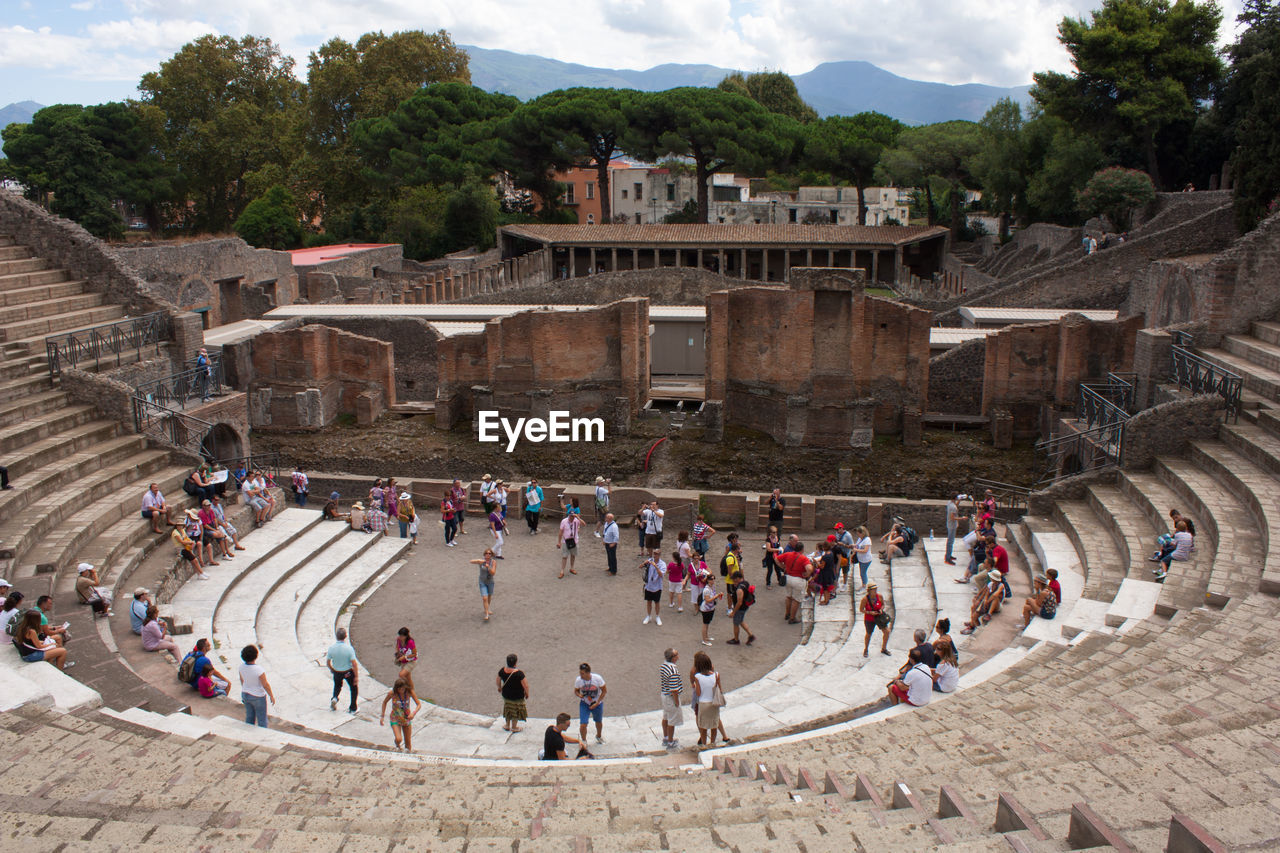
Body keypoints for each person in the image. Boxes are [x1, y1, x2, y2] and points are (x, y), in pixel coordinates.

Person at [690, 651, 725, 746]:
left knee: (703, 727)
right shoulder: (716, 675)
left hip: (703, 704)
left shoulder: (697, 676)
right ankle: (713, 743)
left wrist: (695, 685)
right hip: (713, 703)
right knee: (714, 725)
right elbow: (720, 689)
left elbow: (698, 693)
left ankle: (704, 744)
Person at [379, 678, 421, 752]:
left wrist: (413, 713)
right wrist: (382, 716)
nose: (401, 691)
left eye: (403, 689)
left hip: (406, 718)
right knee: (399, 738)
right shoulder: (392, 693)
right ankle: (397, 744)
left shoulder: (409, 692)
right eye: (400, 689)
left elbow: (419, 704)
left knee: (408, 742)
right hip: (395, 717)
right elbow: (384, 702)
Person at [238, 644, 274, 728]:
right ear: (255, 656)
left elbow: (242, 680)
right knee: (262, 719)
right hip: (258, 696)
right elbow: (265, 684)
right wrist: (271, 695)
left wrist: (245, 688)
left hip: (245, 693)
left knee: (249, 717)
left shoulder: (241, 667)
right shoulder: (258, 669)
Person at [326, 627, 360, 714]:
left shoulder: (331, 648)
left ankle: (335, 697)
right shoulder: (349, 649)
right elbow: (354, 664)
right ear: (345, 636)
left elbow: (328, 662)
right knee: (353, 688)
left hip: (337, 671)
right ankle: (353, 708)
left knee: (337, 686)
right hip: (347, 671)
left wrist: (332, 669)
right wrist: (356, 676)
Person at [961, 570, 1005, 634]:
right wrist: (985, 600)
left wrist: (987, 601)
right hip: (989, 604)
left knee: (996, 598)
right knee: (974, 615)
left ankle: (989, 614)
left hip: (996, 605)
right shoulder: (990, 584)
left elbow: (995, 594)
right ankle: (974, 626)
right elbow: (986, 593)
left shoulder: (1001, 586)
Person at [574, 662, 607, 745]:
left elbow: (604, 691)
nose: (581, 675)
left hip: (596, 703)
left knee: (598, 721)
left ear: (588, 673)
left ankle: (599, 736)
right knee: (583, 724)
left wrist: (598, 702)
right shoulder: (579, 680)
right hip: (585, 703)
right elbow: (576, 691)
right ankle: (584, 741)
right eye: (580, 673)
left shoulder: (597, 679)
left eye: (582, 673)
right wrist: (580, 695)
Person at [498, 653, 529, 732]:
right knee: (516, 710)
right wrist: (527, 693)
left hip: (506, 695)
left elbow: (498, 679)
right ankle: (514, 727)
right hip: (517, 696)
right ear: (515, 662)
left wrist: (499, 687)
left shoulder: (502, 671)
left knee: (508, 709)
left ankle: (507, 725)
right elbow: (525, 685)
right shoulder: (519, 674)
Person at [778, 544, 810, 624]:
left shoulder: (788, 554)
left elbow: (776, 559)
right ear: (802, 549)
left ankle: (787, 614)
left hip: (788, 578)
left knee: (789, 597)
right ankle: (792, 618)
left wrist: (782, 567)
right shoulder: (803, 558)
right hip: (798, 580)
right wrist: (807, 574)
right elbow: (809, 568)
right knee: (796, 599)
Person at [659, 648, 683, 749]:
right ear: (673, 658)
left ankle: (666, 737)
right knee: (672, 720)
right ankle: (670, 741)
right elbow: (674, 690)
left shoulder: (663, 666)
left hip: (664, 695)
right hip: (670, 698)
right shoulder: (673, 671)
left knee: (665, 717)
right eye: (676, 654)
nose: (678, 656)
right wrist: (676, 702)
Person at [726, 569, 755, 645]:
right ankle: (750, 635)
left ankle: (736, 640)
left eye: (734, 579)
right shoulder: (746, 583)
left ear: (738, 578)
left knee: (736, 624)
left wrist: (733, 612)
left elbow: (739, 602)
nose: (733, 581)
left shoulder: (739, 589)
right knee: (740, 621)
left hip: (740, 608)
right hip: (745, 606)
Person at [861, 582, 890, 657]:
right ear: (869, 590)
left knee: (887, 631)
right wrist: (869, 612)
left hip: (879, 617)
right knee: (869, 634)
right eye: (873, 589)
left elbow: (883, 604)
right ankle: (866, 649)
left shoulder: (879, 596)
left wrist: (881, 609)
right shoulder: (865, 599)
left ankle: (884, 648)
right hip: (869, 619)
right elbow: (861, 609)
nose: (875, 590)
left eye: (876, 589)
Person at [471, 548, 497, 621]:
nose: (488, 555)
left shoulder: (493, 562)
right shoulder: (482, 561)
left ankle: (487, 608)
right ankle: (486, 614)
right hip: (482, 582)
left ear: (491, 555)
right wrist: (478, 561)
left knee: (489, 596)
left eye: (489, 554)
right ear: (484, 554)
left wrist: (488, 567)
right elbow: (471, 561)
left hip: (490, 582)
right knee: (484, 598)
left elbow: (493, 573)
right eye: (486, 553)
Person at [642, 549, 666, 625]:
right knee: (649, 602)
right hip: (649, 585)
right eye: (654, 554)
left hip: (657, 586)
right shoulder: (650, 561)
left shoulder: (662, 564)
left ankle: (657, 616)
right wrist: (644, 563)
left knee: (657, 602)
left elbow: (661, 575)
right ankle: (648, 616)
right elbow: (640, 567)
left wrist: (656, 566)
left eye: (657, 554)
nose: (655, 555)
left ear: (659, 555)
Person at [696, 571, 721, 646]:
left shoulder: (712, 587)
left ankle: (706, 637)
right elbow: (707, 600)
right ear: (708, 580)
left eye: (714, 579)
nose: (713, 581)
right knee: (705, 624)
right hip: (706, 609)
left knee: (707, 623)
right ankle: (704, 640)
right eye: (711, 579)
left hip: (710, 608)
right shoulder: (706, 589)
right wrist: (716, 596)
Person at [557, 510, 581, 578]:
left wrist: (578, 517)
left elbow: (584, 524)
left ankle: (572, 568)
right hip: (566, 541)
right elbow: (560, 532)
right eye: (571, 516)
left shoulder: (576, 520)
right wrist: (559, 542)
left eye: (573, 516)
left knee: (573, 555)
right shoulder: (564, 521)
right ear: (568, 515)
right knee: (565, 556)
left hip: (574, 541)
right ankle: (562, 571)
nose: (572, 518)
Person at [394, 626, 418, 696]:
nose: (400, 637)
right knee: (408, 678)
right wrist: (398, 653)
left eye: (402, 636)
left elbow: (414, 654)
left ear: (406, 636)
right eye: (400, 636)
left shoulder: (410, 642)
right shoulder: (399, 640)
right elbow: (397, 646)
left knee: (401, 675)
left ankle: (407, 690)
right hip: (404, 661)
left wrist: (405, 657)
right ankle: (412, 692)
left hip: (411, 661)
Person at [815, 539, 838, 605]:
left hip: (825, 574)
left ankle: (826, 600)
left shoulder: (825, 557)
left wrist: (816, 562)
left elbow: (822, 566)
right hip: (830, 572)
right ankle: (826, 599)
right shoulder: (831, 553)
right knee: (826, 588)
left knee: (825, 588)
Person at [945, 494, 962, 565]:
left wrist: (959, 501)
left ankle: (949, 555)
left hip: (950, 524)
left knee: (950, 541)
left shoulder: (950, 503)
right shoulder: (953, 507)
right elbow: (953, 517)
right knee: (950, 542)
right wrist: (962, 518)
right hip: (952, 526)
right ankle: (948, 558)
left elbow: (955, 506)